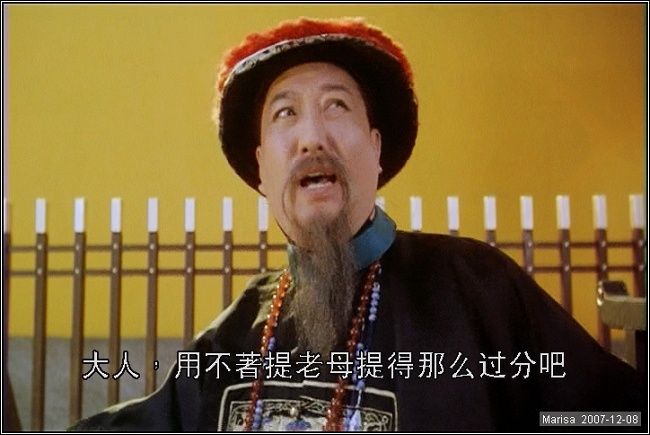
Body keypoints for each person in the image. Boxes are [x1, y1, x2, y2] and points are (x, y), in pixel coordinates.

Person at [70, 17, 645, 432]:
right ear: (262, 170)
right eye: (285, 113)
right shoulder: (237, 333)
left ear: (375, 150)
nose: (311, 136)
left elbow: (612, 414)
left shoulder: (478, 292)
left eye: (336, 106)